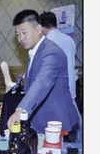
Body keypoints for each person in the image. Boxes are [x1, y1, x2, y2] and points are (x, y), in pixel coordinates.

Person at [7, 10, 79, 139]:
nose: (20, 38)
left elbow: (43, 81)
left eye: (24, 32)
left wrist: (22, 109)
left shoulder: (51, 52)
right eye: (18, 34)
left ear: (39, 29)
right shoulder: (37, 50)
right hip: (42, 120)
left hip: (56, 122)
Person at [40, 11, 82, 141]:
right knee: (73, 119)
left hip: (54, 90)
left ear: (41, 26)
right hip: (70, 86)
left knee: (53, 125)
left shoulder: (46, 42)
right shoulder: (69, 40)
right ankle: (78, 145)